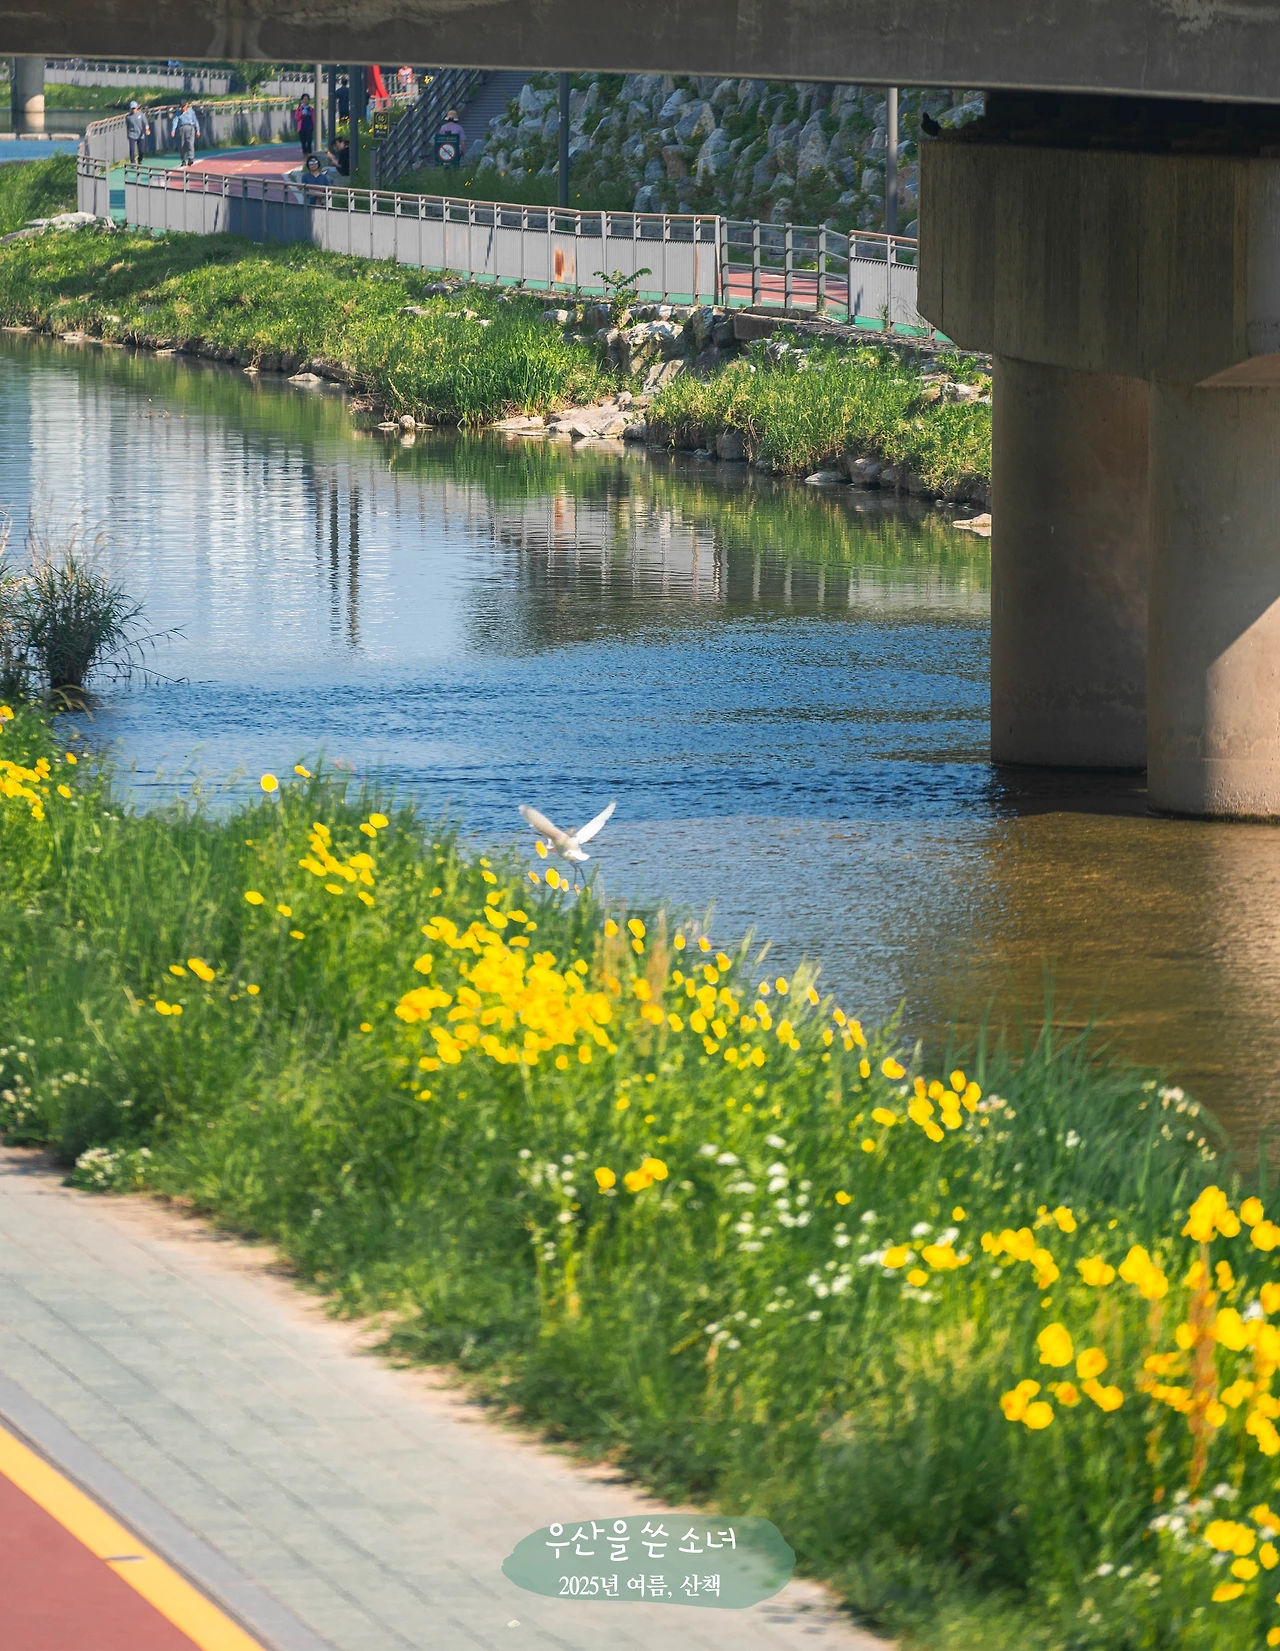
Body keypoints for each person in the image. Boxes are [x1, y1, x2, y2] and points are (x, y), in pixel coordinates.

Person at [172, 98, 199, 167]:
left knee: (190, 144)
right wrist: (173, 130)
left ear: (186, 105)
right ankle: (183, 160)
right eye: (181, 107)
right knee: (182, 145)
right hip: (182, 129)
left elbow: (195, 121)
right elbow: (175, 121)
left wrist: (198, 130)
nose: (182, 108)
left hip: (190, 128)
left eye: (183, 106)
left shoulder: (191, 112)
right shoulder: (178, 113)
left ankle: (190, 158)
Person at [293, 92, 316, 158]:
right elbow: (296, 117)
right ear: (302, 100)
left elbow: (314, 117)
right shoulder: (299, 108)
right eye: (304, 99)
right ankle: (305, 153)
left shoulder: (311, 109)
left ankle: (309, 154)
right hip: (302, 127)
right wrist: (301, 114)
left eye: (307, 99)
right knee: (303, 142)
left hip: (309, 126)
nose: (306, 100)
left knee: (309, 140)